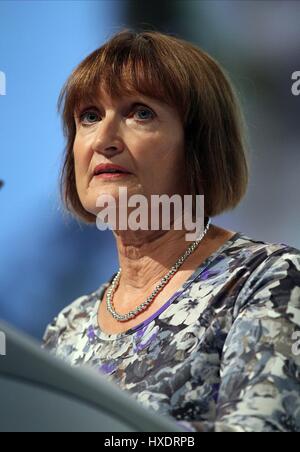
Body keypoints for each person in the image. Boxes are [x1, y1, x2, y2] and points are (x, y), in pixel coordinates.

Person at [42, 29, 300, 432]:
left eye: (140, 112)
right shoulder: (67, 327)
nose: (104, 139)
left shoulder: (266, 279)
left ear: (198, 145)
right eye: (89, 116)